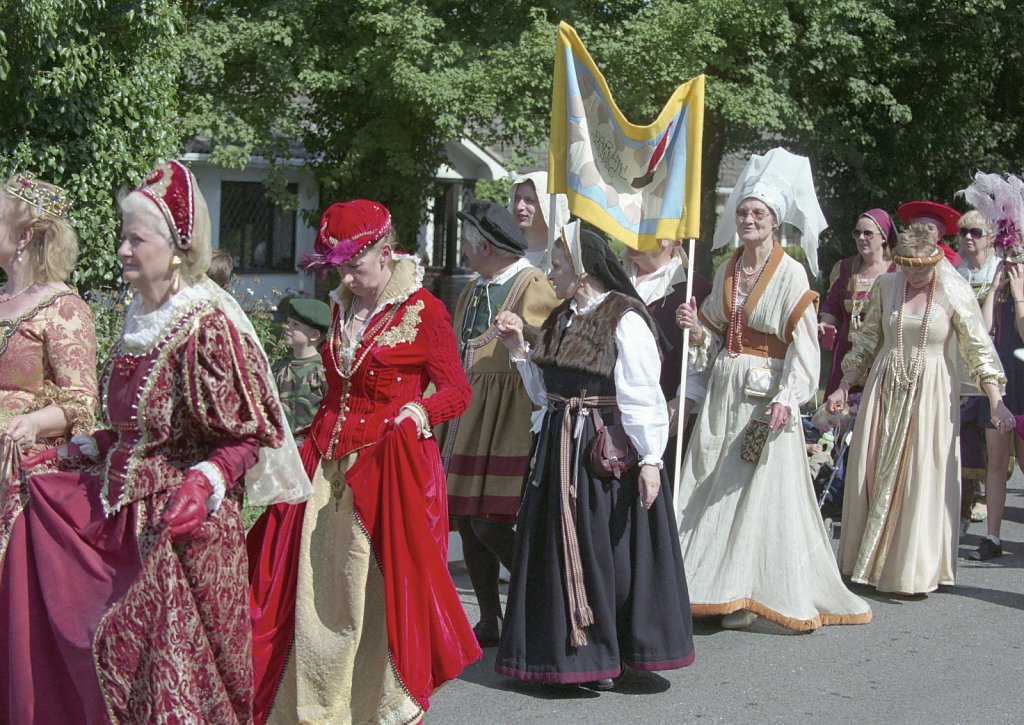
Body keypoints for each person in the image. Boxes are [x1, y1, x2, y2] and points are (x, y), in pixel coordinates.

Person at [0, 160, 310, 723]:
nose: (120, 249)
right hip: (125, 516)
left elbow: (247, 437)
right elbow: (126, 430)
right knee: (103, 653)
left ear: (177, 248)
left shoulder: (205, 324)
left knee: (172, 681)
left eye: (134, 238)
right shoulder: (137, 318)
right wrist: (68, 452)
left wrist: (205, 480)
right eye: (123, 236)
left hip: (182, 530)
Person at [247, 200, 478, 724]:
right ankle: (309, 709)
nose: (347, 276)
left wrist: (420, 411)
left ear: (386, 251)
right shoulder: (338, 306)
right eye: (339, 268)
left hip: (390, 473)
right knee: (308, 590)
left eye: (356, 264)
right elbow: (335, 388)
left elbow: (457, 391)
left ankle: (375, 708)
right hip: (325, 469)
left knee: (370, 596)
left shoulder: (426, 311)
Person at [674, 148, 871, 631]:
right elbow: (716, 334)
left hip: (766, 400)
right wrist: (697, 332)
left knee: (754, 494)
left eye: (757, 213)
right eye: (743, 212)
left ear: (774, 220)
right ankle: (701, 583)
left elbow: (804, 349)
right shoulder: (726, 269)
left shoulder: (791, 273)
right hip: (725, 394)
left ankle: (746, 589)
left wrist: (788, 399)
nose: (748, 219)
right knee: (708, 481)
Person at [493, 223, 694, 688]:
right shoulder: (562, 317)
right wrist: (520, 350)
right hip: (558, 447)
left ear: (583, 270)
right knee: (559, 554)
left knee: (608, 556)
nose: (551, 274)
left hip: (601, 456)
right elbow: (546, 394)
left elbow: (643, 393)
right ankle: (570, 657)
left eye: (559, 266)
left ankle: (613, 649)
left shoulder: (624, 317)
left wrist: (649, 460)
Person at [832, 223, 1010, 593]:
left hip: (931, 390)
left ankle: (911, 569)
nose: (912, 274)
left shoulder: (953, 290)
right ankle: (866, 562)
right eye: (907, 266)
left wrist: (996, 401)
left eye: (920, 267)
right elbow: (867, 340)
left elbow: (977, 349)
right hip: (886, 382)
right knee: (873, 467)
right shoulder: (886, 287)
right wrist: (845, 384)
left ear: (935, 261)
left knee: (920, 475)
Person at [438, 199, 559, 647]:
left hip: (510, 411)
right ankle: (491, 616)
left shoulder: (533, 284)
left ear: (484, 245)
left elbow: (553, 345)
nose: (465, 251)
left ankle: (544, 591)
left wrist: (522, 337)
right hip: (470, 411)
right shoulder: (473, 289)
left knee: (491, 520)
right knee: (468, 520)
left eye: (469, 243)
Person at [0, 171, 96, 475]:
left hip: (20, 465)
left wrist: (32, 423)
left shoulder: (64, 309)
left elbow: (81, 403)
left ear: (24, 237)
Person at [958, 172, 1024, 561]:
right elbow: (983, 330)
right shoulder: (997, 276)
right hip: (998, 380)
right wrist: (998, 288)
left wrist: (1017, 295)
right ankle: (994, 537)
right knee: (995, 461)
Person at [623, 238, 712, 466]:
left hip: (665, 416)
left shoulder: (696, 288)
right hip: (612, 415)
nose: (635, 234)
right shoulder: (611, 280)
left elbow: (707, 353)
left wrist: (686, 398)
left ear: (674, 238)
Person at [954, 209, 1000, 534]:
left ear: (991, 237)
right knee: (966, 429)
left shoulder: (1002, 269)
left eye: (976, 232)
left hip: (997, 358)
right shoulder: (957, 273)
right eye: (964, 232)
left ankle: (984, 493)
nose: (969, 237)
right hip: (964, 359)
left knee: (991, 428)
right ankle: (968, 490)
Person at [819, 209, 897, 397]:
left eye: (868, 233)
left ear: (884, 237)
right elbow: (833, 307)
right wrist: (825, 323)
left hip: (880, 350)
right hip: (847, 349)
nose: (861, 238)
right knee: (838, 410)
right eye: (857, 233)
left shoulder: (896, 271)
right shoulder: (846, 268)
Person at [273, 296, 329, 440]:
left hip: (308, 445)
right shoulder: (278, 367)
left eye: (295, 324)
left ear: (315, 335)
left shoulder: (323, 371)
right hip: (280, 444)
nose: (287, 326)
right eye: (288, 322)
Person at [508, 171, 570, 270]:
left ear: (547, 205)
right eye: (517, 198)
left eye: (529, 200)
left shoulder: (565, 253)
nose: (519, 206)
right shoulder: (504, 248)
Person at [897, 200, 963, 266]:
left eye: (930, 228)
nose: (925, 231)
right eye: (920, 226)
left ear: (940, 233)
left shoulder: (950, 259)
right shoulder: (900, 252)